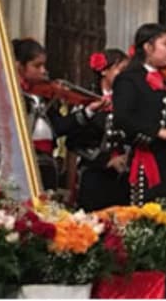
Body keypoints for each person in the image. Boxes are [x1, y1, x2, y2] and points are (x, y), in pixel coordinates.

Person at [112, 22, 166, 299]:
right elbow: (124, 120)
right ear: (147, 47)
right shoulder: (129, 80)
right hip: (149, 162)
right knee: (149, 227)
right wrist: (161, 132)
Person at [13, 37, 103, 192]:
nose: (43, 71)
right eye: (37, 66)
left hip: (46, 162)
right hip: (21, 162)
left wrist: (88, 111)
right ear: (19, 66)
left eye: (44, 65)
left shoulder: (43, 96)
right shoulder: (13, 95)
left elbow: (58, 127)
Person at [69, 48, 130, 211]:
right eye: (121, 70)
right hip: (94, 174)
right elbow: (73, 140)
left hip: (123, 176)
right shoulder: (86, 98)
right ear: (104, 70)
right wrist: (106, 161)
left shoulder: (128, 100)